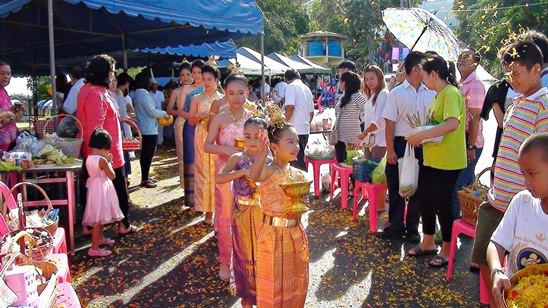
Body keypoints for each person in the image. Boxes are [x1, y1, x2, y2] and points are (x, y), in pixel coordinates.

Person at [471, 40, 548, 304]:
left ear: (536, 69)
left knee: (525, 270)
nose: (512, 80)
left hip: (523, 203)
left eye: (517, 73)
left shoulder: (543, 105)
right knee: (484, 256)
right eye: (509, 74)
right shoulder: (515, 102)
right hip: (497, 198)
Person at [407, 55, 466, 267]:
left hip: (448, 160)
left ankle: (448, 248)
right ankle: (428, 242)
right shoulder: (437, 95)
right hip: (432, 158)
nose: (422, 80)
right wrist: (422, 136)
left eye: (424, 76)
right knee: (426, 199)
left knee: (443, 203)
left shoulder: (450, 93)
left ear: (434, 74)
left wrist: (421, 136)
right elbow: (437, 126)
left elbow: (451, 124)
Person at [250, 114, 309, 307]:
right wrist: (262, 151)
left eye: (297, 142)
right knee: (273, 283)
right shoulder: (269, 170)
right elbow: (254, 175)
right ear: (274, 147)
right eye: (290, 142)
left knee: (296, 282)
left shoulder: (298, 174)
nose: (296, 147)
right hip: (272, 235)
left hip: (295, 233)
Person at [76, 54, 136, 236]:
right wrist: (102, 155)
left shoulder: (88, 89)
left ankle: (91, 226)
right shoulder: (96, 94)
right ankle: (123, 224)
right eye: (111, 70)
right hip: (106, 153)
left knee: (94, 188)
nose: (113, 74)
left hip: (99, 150)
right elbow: (96, 127)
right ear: (104, 73)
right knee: (117, 188)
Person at [487, 132, 548, 307]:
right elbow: (496, 243)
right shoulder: (522, 202)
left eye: (532, 173)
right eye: (523, 173)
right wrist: (496, 272)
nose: (526, 182)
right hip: (515, 299)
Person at [380, 51, 435, 241]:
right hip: (401, 144)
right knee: (396, 187)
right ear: (415, 69)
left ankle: (412, 228)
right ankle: (396, 225)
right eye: (424, 66)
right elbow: (390, 123)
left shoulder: (432, 93)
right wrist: (390, 150)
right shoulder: (396, 93)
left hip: (422, 145)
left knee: (418, 188)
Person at [215, 117, 268, 308]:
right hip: (242, 214)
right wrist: (240, 173)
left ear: (265, 137)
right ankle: (246, 298)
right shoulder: (238, 158)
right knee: (243, 255)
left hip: (264, 215)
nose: (252, 141)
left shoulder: (269, 159)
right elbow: (219, 178)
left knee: (263, 256)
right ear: (242, 137)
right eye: (248, 136)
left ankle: (263, 297)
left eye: (257, 136)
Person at [204, 74, 250, 280]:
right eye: (231, 93)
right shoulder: (220, 117)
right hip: (225, 172)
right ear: (225, 93)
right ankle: (225, 260)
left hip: (249, 172)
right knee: (225, 216)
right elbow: (207, 145)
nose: (236, 97)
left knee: (247, 214)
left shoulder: (253, 117)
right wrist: (226, 149)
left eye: (240, 93)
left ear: (247, 92)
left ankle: (247, 259)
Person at [452, 47, 486, 219]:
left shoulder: (476, 85)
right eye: (460, 56)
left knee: (459, 184)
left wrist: (470, 145)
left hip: (470, 140)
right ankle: (469, 219)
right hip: (460, 139)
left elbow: (474, 118)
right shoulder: (461, 83)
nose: (462, 60)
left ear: (475, 63)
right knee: (468, 184)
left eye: (467, 57)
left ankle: (451, 226)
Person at [82, 128, 124, 257]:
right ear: (104, 146)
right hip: (101, 189)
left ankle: (100, 238)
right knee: (98, 220)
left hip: (94, 188)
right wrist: (109, 162)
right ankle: (94, 248)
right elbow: (112, 176)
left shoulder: (89, 158)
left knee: (97, 215)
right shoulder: (102, 160)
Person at [189, 64, 223, 222]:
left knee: (218, 170)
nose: (207, 82)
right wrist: (200, 116)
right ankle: (207, 211)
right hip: (202, 135)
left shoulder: (222, 99)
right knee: (203, 172)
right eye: (204, 79)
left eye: (210, 79)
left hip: (218, 136)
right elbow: (190, 120)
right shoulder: (196, 98)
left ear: (216, 79)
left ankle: (220, 210)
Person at [133, 72, 169, 189]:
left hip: (145, 127)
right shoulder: (143, 95)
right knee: (148, 154)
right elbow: (152, 112)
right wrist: (164, 114)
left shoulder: (138, 94)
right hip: (148, 129)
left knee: (146, 155)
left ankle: (146, 176)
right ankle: (145, 178)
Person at [177, 60, 205, 210]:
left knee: (204, 162)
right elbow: (180, 110)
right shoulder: (186, 89)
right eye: (193, 73)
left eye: (198, 72)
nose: (196, 76)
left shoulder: (209, 88)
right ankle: (193, 200)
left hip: (206, 127)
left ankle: (205, 198)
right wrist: (194, 116)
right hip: (190, 127)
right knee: (191, 160)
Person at [166, 62, 193, 189]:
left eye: (188, 74)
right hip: (181, 123)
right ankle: (185, 185)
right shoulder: (177, 91)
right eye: (183, 75)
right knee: (183, 154)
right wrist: (184, 114)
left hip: (196, 123)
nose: (186, 77)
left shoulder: (198, 89)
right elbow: (169, 110)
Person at [282, 69, 314, 171]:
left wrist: (283, 122)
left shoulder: (291, 87)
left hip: (294, 129)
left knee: (296, 162)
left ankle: (302, 183)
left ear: (287, 79)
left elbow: (290, 107)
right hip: (304, 130)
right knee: (298, 158)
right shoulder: (307, 89)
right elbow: (311, 113)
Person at [334, 71, 365, 164]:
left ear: (346, 82)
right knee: (341, 163)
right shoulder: (343, 97)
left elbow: (367, 110)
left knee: (352, 166)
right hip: (339, 137)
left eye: (341, 81)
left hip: (352, 138)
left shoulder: (357, 96)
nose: (340, 83)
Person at [358, 65, 389, 160]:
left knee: (376, 173)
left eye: (372, 78)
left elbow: (379, 122)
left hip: (380, 141)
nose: (369, 82)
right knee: (369, 172)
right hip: (370, 141)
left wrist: (365, 132)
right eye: (366, 79)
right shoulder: (372, 94)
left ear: (379, 78)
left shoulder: (383, 94)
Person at [480, 79, 512, 164]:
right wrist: (495, 102)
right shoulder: (498, 88)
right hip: (503, 148)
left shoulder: (532, 89)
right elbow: (502, 123)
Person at [115, 73, 136, 187]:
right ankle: (125, 178)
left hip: (124, 124)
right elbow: (122, 113)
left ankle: (125, 177)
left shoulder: (118, 94)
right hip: (122, 126)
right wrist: (129, 118)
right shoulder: (117, 94)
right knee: (124, 153)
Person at [0, 61, 23, 151]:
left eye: (8, 73)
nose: (6, 76)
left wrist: (17, 113)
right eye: (2, 73)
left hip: (9, 142)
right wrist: (7, 114)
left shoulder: (3, 91)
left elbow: (8, 119)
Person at [149, 80, 165, 145]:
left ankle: (160, 141)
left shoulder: (161, 93)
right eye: (153, 84)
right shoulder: (149, 94)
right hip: (152, 113)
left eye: (155, 84)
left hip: (160, 112)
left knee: (160, 128)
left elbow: (162, 103)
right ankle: (154, 142)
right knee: (153, 128)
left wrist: (163, 112)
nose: (154, 86)